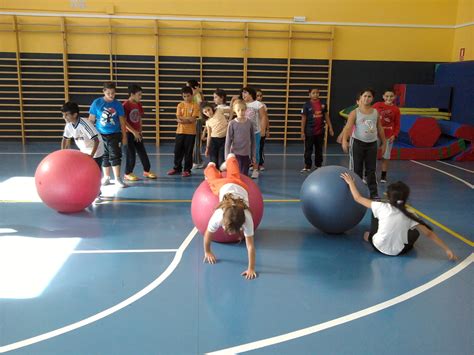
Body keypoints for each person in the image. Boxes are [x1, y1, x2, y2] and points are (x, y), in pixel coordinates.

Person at [340, 172, 458, 260]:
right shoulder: (410, 214)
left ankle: (370, 236)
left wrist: (350, 182)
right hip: (398, 252)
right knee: (415, 233)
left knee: (374, 212)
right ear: (406, 198)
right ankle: (371, 236)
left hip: (378, 246)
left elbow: (358, 198)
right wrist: (447, 249)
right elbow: (429, 233)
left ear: (389, 196)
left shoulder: (381, 206)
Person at [203, 153, 257, 280]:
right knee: (214, 181)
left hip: (238, 185)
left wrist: (251, 268)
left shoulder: (246, 217)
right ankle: (215, 165)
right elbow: (207, 235)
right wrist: (207, 251)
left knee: (230, 176)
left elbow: (250, 247)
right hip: (229, 186)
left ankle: (227, 160)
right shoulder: (219, 215)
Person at [342, 89, 386, 199]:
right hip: (357, 143)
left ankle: (373, 193)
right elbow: (347, 128)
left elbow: (380, 128)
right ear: (360, 98)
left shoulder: (375, 112)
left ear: (373, 99)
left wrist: (384, 142)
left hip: (372, 144)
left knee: (371, 170)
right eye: (365, 96)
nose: (367, 98)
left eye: (369, 96)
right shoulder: (354, 112)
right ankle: (355, 192)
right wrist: (344, 140)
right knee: (356, 169)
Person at [88, 81, 128, 188]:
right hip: (100, 134)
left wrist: (124, 136)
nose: (111, 95)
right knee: (104, 156)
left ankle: (118, 178)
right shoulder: (97, 103)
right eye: (108, 93)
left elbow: (122, 121)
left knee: (115, 155)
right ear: (104, 91)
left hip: (115, 134)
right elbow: (91, 119)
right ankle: (106, 177)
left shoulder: (117, 104)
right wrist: (89, 135)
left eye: (113, 93)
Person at [122, 84, 157, 181]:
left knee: (142, 153)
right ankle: (127, 173)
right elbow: (124, 122)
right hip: (128, 134)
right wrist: (134, 132)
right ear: (132, 94)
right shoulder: (125, 105)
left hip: (137, 133)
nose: (140, 97)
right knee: (131, 155)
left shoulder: (138, 104)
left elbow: (139, 117)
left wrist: (140, 131)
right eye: (139, 95)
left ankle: (147, 171)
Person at [167, 86, 200, 177]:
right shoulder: (180, 105)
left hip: (191, 133)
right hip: (180, 132)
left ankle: (187, 170)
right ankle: (177, 168)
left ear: (192, 95)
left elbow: (193, 119)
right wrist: (187, 119)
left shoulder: (195, 105)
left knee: (188, 152)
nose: (186, 98)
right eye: (184, 96)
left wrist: (183, 120)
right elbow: (178, 117)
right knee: (177, 151)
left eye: (188, 96)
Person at [300, 87, 334, 173]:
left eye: (317, 93)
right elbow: (303, 119)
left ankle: (318, 165)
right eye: (313, 93)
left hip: (320, 131)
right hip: (309, 132)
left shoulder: (323, 104)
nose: (315, 94)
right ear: (309, 94)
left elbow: (326, 116)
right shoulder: (306, 105)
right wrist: (302, 131)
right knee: (308, 149)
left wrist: (330, 127)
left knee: (319, 149)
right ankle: (307, 166)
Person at [61, 101, 104, 168]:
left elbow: (96, 140)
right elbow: (65, 139)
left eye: (66, 115)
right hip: (84, 150)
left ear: (75, 115)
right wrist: (62, 153)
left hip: (96, 151)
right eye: (63, 114)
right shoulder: (68, 125)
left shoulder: (84, 124)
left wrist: (91, 156)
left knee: (94, 170)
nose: (64, 117)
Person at [373, 89, 401, 183]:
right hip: (375, 135)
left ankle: (383, 176)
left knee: (386, 156)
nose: (389, 98)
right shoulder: (377, 105)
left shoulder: (396, 109)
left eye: (391, 96)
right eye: (387, 96)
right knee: (372, 155)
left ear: (394, 97)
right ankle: (371, 174)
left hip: (388, 136)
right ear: (383, 96)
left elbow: (397, 124)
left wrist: (395, 135)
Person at [241, 87, 268, 179]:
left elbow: (263, 117)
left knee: (255, 151)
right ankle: (245, 168)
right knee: (244, 151)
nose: (243, 95)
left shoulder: (258, 104)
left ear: (251, 94)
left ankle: (256, 169)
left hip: (255, 132)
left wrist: (263, 130)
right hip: (243, 132)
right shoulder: (241, 104)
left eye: (245, 93)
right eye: (242, 93)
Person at [225, 100, 256, 176]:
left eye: (242, 110)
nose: (241, 112)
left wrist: (253, 155)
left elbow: (253, 140)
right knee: (236, 173)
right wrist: (227, 157)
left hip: (246, 153)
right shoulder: (232, 123)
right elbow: (228, 141)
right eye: (238, 110)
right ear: (235, 111)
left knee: (244, 174)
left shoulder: (249, 123)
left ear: (246, 110)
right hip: (235, 153)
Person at [202, 102, 228, 169]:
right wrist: (207, 148)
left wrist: (230, 120)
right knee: (213, 162)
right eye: (205, 112)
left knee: (221, 162)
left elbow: (231, 110)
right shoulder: (208, 122)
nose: (208, 112)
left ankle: (222, 176)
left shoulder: (219, 110)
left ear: (211, 108)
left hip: (224, 140)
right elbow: (209, 135)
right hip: (213, 141)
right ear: (204, 114)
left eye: (208, 110)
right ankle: (215, 176)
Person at [187, 79, 205, 169]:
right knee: (192, 141)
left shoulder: (196, 95)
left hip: (197, 119)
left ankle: (197, 161)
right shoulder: (194, 94)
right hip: (192, 120)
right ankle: (196, 160)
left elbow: (200, 105)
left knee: (196, 142)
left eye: (188, 86)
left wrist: (198, 92)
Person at [256, 89, 270, 171]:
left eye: (261, 96)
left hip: (261, 129)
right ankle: (252, 163)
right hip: (253, 130)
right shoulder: (250, 105)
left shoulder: (263, 106)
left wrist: (267, 129)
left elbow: (266, 118)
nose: (259, 97)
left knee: (260, 147)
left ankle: (260, 163)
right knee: (252, 148)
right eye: (257, 95)